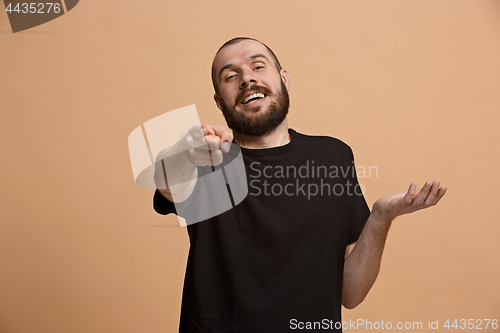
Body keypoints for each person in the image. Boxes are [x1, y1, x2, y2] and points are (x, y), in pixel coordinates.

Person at [153, 37, 447, 332]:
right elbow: (166, 180)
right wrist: (186, 153)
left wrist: (381, 216)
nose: (247, 79)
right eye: (231, 76)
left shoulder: (332, 157)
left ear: (284, 80)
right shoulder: (206, 160)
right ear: (219, 101)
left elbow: (352, 293)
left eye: (258, 66)